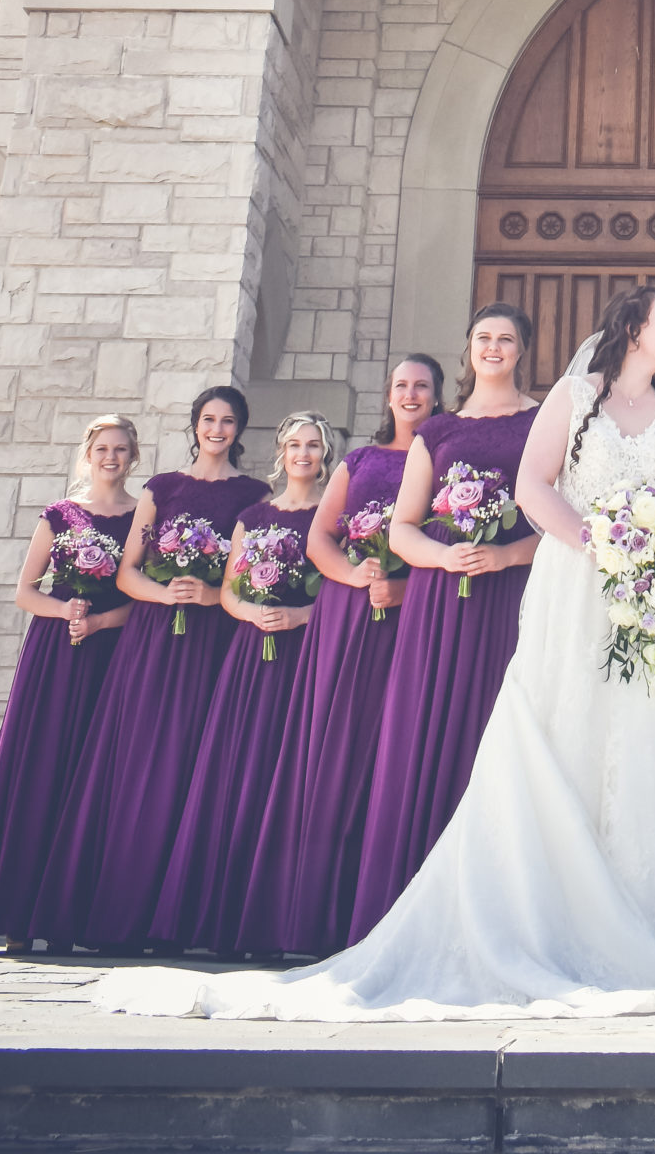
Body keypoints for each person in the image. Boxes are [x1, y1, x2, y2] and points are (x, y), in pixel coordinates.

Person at [91, 286, 655, 1019]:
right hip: (580, 588)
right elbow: (533, 485)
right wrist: (605, 550)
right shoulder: (575, 397)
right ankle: (561, 919)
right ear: (631, 330)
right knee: (570, 734)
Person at [28, 386, 272, 950]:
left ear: (241, 429)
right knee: (139, 765)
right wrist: (167, 596)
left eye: (228, 421)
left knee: (195, 769)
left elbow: (245, 575)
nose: (217, 429)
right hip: (155, 642)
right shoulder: (160, 489)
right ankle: (115, 912)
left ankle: (178, 919)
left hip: (214, 641)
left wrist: (210, 594)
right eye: (208, 419)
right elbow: (127, 574)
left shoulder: (254, 495)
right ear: (195, 424)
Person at [239, 354, 445, 958]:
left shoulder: (444, 457)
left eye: (422, 386)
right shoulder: (358, 463)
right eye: (401, 386)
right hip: (350, 619)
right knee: (336, 752)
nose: (410, 395)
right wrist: (358, 576)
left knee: (399, 755)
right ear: (388, 395)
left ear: (437, 396)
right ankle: (312, 915)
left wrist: (404, 586)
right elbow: (320, 539)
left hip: (418, 616)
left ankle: (385, 910)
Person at [348, 308, 541, 941]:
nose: (493, 348)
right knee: (423, 729)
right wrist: (444, 555)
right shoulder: (437, 429)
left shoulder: (542, 422)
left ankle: (494, 908)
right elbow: (403, 526)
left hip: (510, 596)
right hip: (438, 600)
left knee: (497, 732)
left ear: (522, 352)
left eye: (505, 340)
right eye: (483, 339)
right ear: (468, 351)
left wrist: (506, 554)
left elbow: (563, 523)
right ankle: (408, 901)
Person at [0, 414, 141, 950]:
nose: (111, 458)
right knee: (39, 770)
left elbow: (139, 597)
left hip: (109, 655)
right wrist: (64, 609)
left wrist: (98, 620)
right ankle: (18, 918)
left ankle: (67, 919)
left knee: (89, 776)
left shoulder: (142, 517)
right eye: (102, 448)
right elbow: (25, 591)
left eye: (121, 449)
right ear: (88, 453)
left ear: (133, 457)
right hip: (54, 655)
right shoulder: (60, 515)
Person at [151, 413, 335, 955]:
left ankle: (274, 919)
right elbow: (230, 592)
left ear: (326, 453)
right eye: (294, 444)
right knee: (237, 772)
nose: (304, 454)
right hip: (250, 657)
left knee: (287, 774)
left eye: (314, 446)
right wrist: (255, 613)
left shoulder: (334, 514)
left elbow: (340, 586)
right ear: (280, 451)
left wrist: (301, 616)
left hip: (304, 654)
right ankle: (219, 917)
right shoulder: (253, 516)